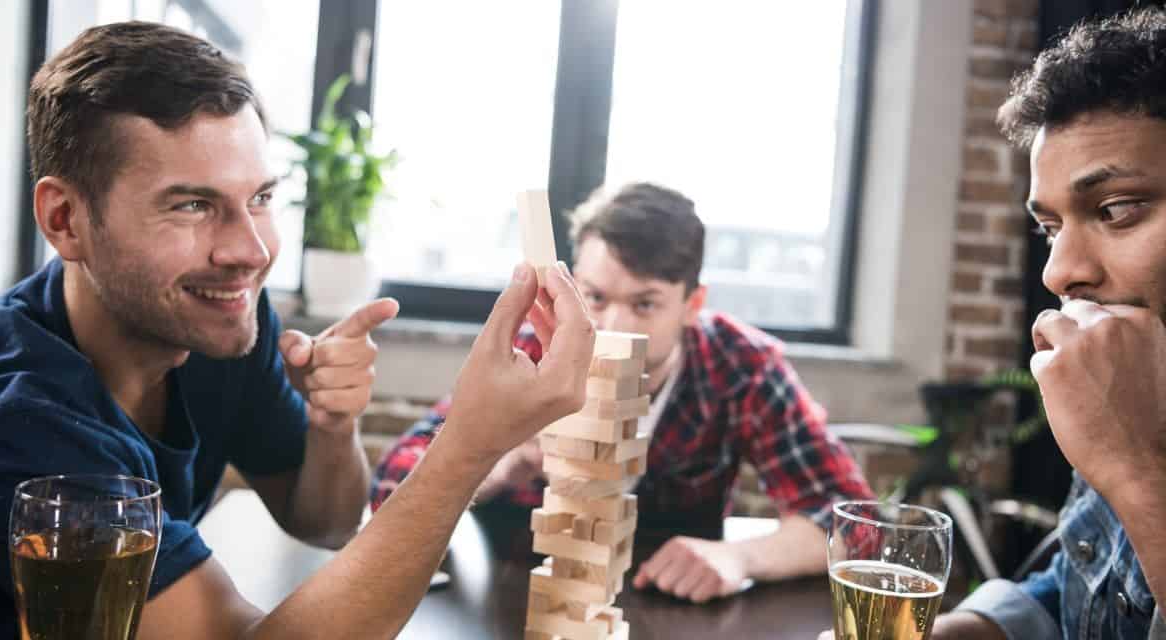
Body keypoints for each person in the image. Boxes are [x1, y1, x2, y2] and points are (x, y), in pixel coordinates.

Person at [0, 22, 597, 639]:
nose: (250, 250)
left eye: (261, 198)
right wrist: (470, 446)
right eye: (192, 205)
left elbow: (323, 518)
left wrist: (332, 425)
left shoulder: (213, 318)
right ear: (64, 219)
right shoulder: (10, 422)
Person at [818, 7, 1166, 640]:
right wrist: (953, 632)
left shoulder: (1127, 421)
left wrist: (1136, 471)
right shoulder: (1129, 379)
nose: (1059, 273)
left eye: (1115, 210)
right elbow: (1086, 583)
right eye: (1050, 228)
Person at [372, 182, 875, 603]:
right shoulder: (532, 349)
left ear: (691, 304)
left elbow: (854, 525)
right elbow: (392, 491)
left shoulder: (741, 367)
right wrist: (497, 460)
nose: (612, 325)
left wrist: (741, 557)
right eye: (595, 297)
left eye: (645, 304)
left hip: (670, 606)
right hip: (519, 596)